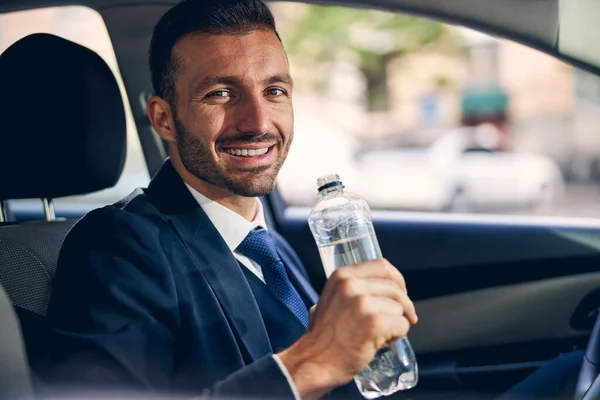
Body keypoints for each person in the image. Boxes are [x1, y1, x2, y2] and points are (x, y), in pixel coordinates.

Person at [45, 0, 417, 399]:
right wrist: (310, 362)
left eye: (274, 91)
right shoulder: (116, 247)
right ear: (164, 119)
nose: (257, 122)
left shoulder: (267, 246)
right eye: (221, 93)